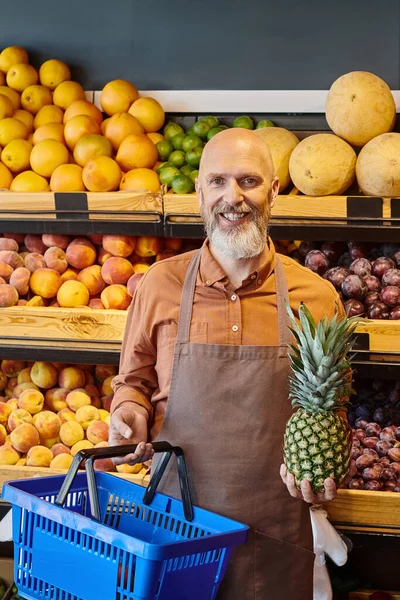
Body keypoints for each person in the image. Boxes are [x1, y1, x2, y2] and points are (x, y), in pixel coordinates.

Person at [109, 128, 348, 599]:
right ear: (199, 191)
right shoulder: (160, 284)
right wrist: (127, 414)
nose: (232, 197)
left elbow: (332, 414)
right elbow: (132, 381)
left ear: (274, 191)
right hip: (172, 531)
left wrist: (325, 476)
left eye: (249, 181)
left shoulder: (317, 298)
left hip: (275, 536)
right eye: (217, 181)